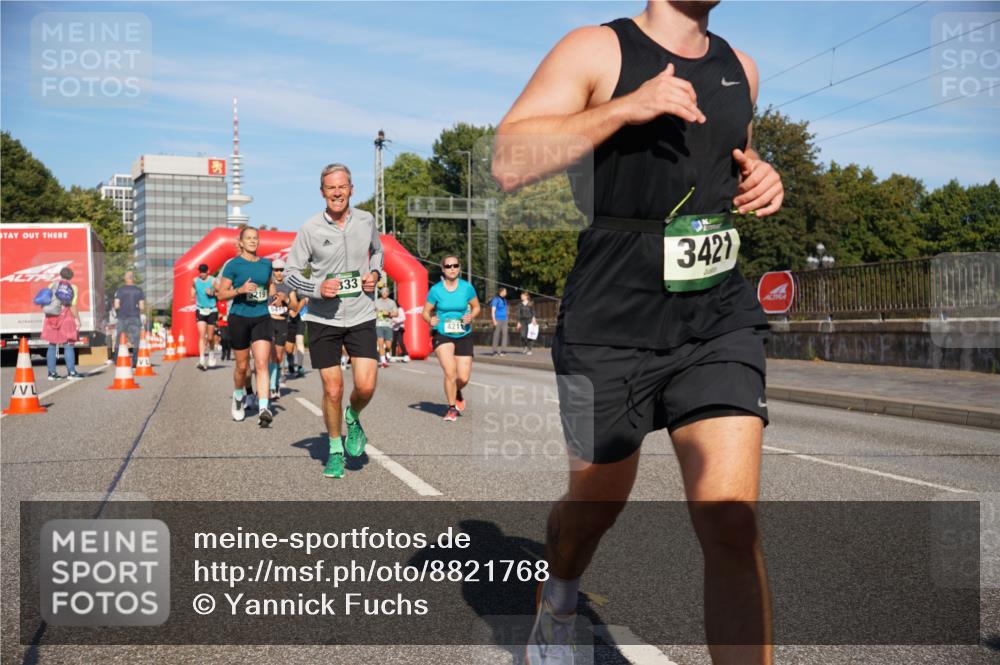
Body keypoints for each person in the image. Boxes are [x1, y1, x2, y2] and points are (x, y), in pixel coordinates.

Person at [493, 2, 785, 664]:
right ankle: (559, 596)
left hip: (716, 315)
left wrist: (762, 174)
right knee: (595, 504)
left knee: (732, 520)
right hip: (610, 317)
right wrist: (627, 107)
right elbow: (509, 161)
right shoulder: (596, 49)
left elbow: (722, 159)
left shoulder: (741, 68)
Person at [284, 163, 383, 479]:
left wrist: (375, 273)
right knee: (333, 390)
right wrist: (317, 287)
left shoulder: (366, 220)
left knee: (365, 386)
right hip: (323, 318)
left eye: (342, 186)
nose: (337, 193)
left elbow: (377, 252)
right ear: (322, 192)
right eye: (331, 188)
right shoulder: (310, 228)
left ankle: (353, 416)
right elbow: (289, 274)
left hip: (361, 314)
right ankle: (336, 450)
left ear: (351, 189)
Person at [216, 226, 281, 427]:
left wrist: (275, 296)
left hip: (262, 317)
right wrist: (240, 290)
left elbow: (270, 285)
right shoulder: (233, 265)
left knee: (261, 364)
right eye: (249, 238)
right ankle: (238, 397)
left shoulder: (266, 264)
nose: (253, 241)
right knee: (242, 367)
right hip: (239, 318)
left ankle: (263, 408)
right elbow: (221, 294)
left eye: (256, 238)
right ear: (241, 242)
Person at [421, 255, 480, 422]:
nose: (452, 269)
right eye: (448, 266)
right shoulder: (436, 290)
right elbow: (425, 312)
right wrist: (430, 320)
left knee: (463, 378)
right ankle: (451, 408)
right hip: (442, 333)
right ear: (443, 269)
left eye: (455, 265)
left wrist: (471, 316)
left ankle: (457, 391)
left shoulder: (467, 288)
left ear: (459, 268)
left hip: (464, 333)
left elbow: (476, 307)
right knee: (450, 371)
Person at [41, 267, 81, 380]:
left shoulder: (51, 285)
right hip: (66, 317)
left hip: (51, 317)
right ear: (71, 276)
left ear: (60, 275)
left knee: (52, 345)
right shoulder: (73, 287)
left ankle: (51, 374)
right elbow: (72, 306)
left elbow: (46, 301)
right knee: (68, 345)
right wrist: (77, 319)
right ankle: (71, 372)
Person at [267, 258, 291, 399]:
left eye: (282, 270)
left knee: (278, 357)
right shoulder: (268, 285)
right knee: (271, 355)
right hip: (269, 321)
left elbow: (296, 304)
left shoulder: (289, 286)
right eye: (276, 270)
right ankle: (271, 386)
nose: (279, 272)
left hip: (282, 323)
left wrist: (286, 300)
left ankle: (275, 384)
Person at [113, 271, 145, 369]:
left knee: (119, 339)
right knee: (136, 340)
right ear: (133, 278)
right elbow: (142, 307)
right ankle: (135, 362)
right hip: (135, 317)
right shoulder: (139, 291)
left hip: (122, 317)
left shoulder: (120, 290)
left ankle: (117, 360)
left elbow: (116, 305)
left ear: (125, 278)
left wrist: (121, 309)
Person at [191, 264, 218, 370]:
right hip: (200, 309)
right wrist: (192, 295)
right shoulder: (195, 280)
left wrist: (212, 293)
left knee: (210, 337)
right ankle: (202, 359)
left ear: (208, 271)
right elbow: (193, 288)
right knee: (202, 335)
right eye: (200, 272)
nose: (201, 274)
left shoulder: (213, 280)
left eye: (203, 272)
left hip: (212, 310)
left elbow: (220, 292)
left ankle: (211, 354)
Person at [375, 286, 398, 368]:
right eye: (383, 292)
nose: (384, 293)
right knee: (380, 343)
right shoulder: (376, 302)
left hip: (388, 325)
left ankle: (387, 352)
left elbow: (396, 314)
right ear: (381, 293)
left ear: (388, 293)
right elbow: (371, 312)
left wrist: (388, 313)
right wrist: (377, 313)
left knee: (388, 345)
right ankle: (383, 361)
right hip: (378, 325)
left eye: (386, 292)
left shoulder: (392, 302)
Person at [489, 287, 509, 356]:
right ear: (501, 292)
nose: (506, 293)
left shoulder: (505, 300)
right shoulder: (496, 299)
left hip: (505, 319)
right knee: (496, 335)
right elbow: (493, 311)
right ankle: (494, 351)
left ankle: (503, 350)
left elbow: (505, 309)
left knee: (505, 334)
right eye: (505, 291)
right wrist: (494, 320)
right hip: (497, 319)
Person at [217, 297, 232, 362]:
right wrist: (219, 315)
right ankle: (223, 352)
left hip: (229, 323)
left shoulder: (230, 302)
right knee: (223, 338)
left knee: (229, 339)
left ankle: (228, 354)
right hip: (222, 323)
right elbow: (216, 313)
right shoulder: (219, 303)